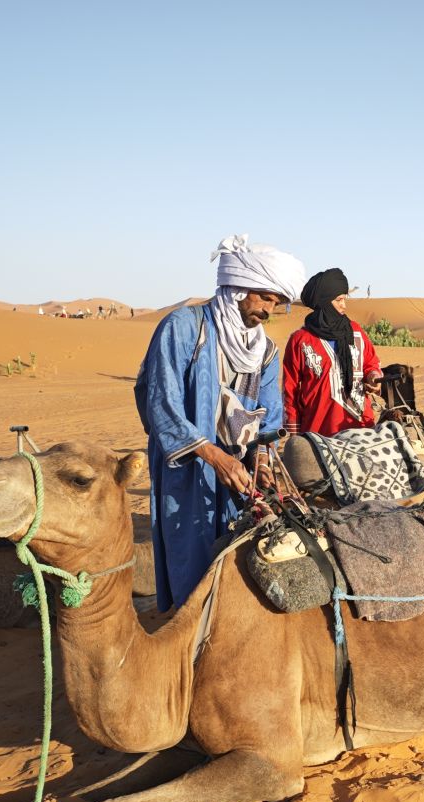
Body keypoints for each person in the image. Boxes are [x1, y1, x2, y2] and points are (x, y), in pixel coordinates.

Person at [135, 234, 305, 609]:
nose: (269, 312)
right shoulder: (183, 327)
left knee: (236, 563)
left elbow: (270, 419)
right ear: (238, 287)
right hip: (187, 470)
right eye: (265, 298)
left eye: (277, 303)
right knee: (190, 564)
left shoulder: (266, 352)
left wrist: (262, 462)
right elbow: (162, 404)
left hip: (238, 474)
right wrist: (213, 456)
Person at [282, 268, 383, 436]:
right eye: (339, 300)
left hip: (361, 429)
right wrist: (294, 431)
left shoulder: (356, 331)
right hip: (319, 432)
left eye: (345, 299)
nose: (344, 305)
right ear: (324, 302)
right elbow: (289, 389)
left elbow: (371, 363)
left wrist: (373, 376)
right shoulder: (300, 340)